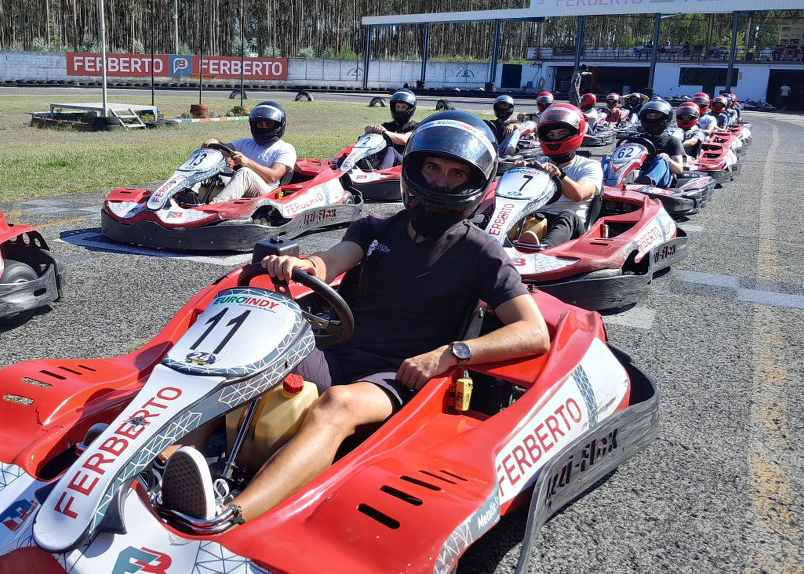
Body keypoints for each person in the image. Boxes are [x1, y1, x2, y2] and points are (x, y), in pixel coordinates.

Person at [161, 112, 551, 525]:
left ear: (474, 183)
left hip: (400, 373)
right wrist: (298, 264)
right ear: (414, 169)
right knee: (242, 363)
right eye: (432, 168)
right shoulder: (376, 227)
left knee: (338, 404)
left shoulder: (481, 252)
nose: (439, 182)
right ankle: (165, 463)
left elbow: (533, 332)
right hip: (338, 350)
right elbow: (329, 262)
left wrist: (452, 353)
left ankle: (230, 513)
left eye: (455, 174)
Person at [517, 104, 603, 250]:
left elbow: (579, 194)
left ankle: (543, 248)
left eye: (562, 133)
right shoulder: (541, 163)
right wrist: (518, 171)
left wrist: (559, 174)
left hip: (573, 228)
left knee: (567, 216)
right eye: (551, 135)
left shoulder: (589, 166)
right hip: (538, 218)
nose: (555, 138)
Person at [203, 101, 297, 203]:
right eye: (260, 125)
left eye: (268, 124)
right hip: (242, 186)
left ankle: (214, 207)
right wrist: (214, 143)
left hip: (269, 194)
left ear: (278, 126)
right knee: (209, 164)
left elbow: (273, 177)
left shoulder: (285, 148)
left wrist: (247, 163)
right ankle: (188, 196)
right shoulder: (246, 143)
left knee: (245, 173)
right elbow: (224, 149)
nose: (264, 128)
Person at [631, 100, 687, 188]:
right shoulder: (636, 139)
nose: (652, 119)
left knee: (661, 159)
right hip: (636, 173)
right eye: (650, 116)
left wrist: (668, 159)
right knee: (608, 158)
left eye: (656, 116)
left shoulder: (672, 141)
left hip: (661, 178)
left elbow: (679, 169)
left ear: (665, 118)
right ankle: (605, 181)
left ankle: (646, 182)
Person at [363, 89, 420, 167]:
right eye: (398, 107)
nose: (400, 110)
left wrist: (384, 132)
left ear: (410, 109)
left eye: (403, 107)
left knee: (391, 150)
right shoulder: (387, 126)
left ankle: (380, 174)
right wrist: (370, 131)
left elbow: (404, 139)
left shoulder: (415, 126)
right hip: (385, 160)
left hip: (405, 162)